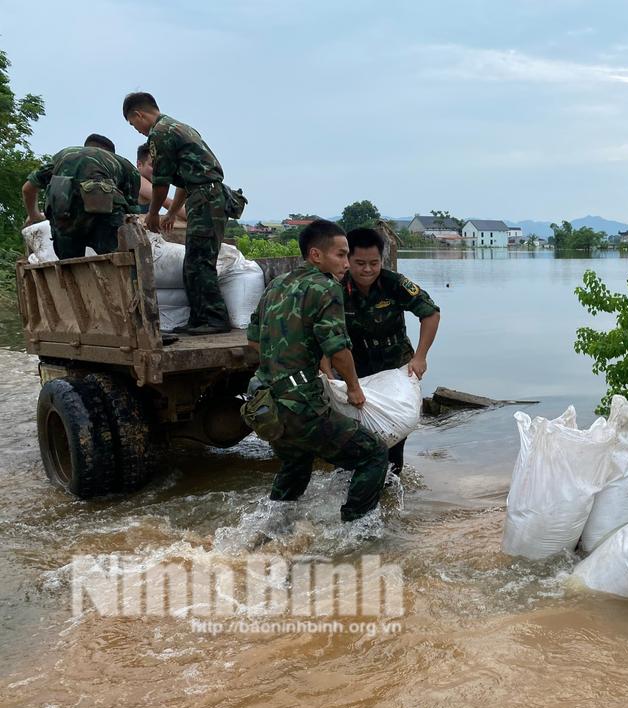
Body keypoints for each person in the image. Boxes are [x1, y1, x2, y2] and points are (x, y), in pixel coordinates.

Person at [247, 219, 390, 522]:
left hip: (266, 401)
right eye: (341, 255)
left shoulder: (276, 284)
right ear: (316, 255)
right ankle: (356, 529)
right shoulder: (325, 287)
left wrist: (285, 368)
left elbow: (253, 339)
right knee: (374, 454)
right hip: (301, 406)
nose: (347, 264)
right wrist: (353, 388)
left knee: (296, 465)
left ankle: (273, 528)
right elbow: (338, 348)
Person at [328, 226, 440, 475]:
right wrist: (328, 374)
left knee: (395, 433)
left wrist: (420, 356)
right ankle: (350, 484)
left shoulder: (394, 284)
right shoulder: (334, 289)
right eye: (360, 263)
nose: (367, 270)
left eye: (374, 263)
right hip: (355, 367)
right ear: (348, 260)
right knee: (349, 432)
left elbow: (431, 313)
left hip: (394, 366)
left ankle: (391, 485)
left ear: (382, 260)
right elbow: (323, 334)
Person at [123, 92, 229, 335]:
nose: (136, 130)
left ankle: (214, 319)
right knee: (194, 259)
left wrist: (152, 215)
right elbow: (182, 181)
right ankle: (201, 319)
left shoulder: (160, 134)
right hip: (205, 195)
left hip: (206, 198)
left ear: (139, 115)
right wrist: (170, 212)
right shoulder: (178, 128)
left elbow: (161, 183)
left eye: (133, 123)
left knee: (199, 261)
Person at [21, 134, 140, 259]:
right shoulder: (123, 164)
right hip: (105, 215)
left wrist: (34, 215)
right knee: (116, 259)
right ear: (111, 152)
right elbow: (132, 215)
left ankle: (70, 273)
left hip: (64, 213)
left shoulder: (63, 156)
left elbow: (27, 189)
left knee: (70, 264)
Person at [134, 142, 186, 222]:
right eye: (152, 165)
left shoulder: (154, 184)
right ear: (139, 164)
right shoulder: (138, 179)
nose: (158, 170)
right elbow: (167, 203)